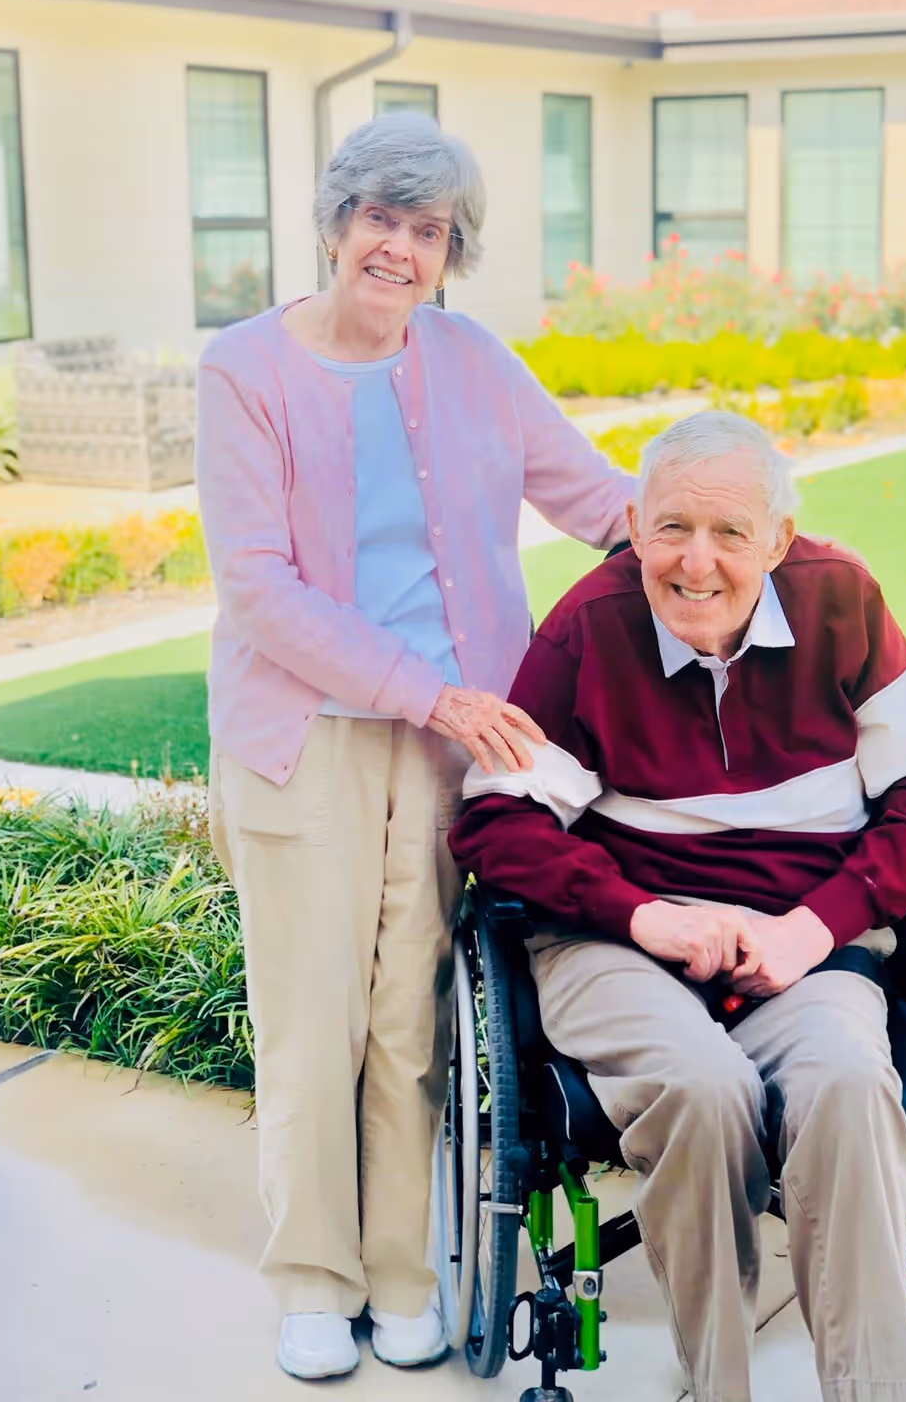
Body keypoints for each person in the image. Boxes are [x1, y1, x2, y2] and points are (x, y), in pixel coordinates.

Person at [197, 112, 633, 1382]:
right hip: (309, 739)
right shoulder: (246, 372)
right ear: (334, 225)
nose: (398, 249)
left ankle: (401, 1272)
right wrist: (430, 696)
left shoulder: (473, 360)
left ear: (451, 253)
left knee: (410, 1018)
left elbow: (595, 498)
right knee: (312, 1017)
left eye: (427, 231)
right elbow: (262, 592)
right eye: (379, 219)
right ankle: (314, 1280)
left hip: (451, 744)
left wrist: (724, 538)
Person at [450, 411, 906, 1402]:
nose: (697, 564)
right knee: (703, 1088)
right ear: (633, 524)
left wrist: (811, 927)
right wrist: (639, 914)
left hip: (803, 940)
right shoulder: (588, 629)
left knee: (847, 1087)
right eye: (672, 528)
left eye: (731, 533)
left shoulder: (841, 605)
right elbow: (497, 825)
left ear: (779, 541)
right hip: (619, 941)